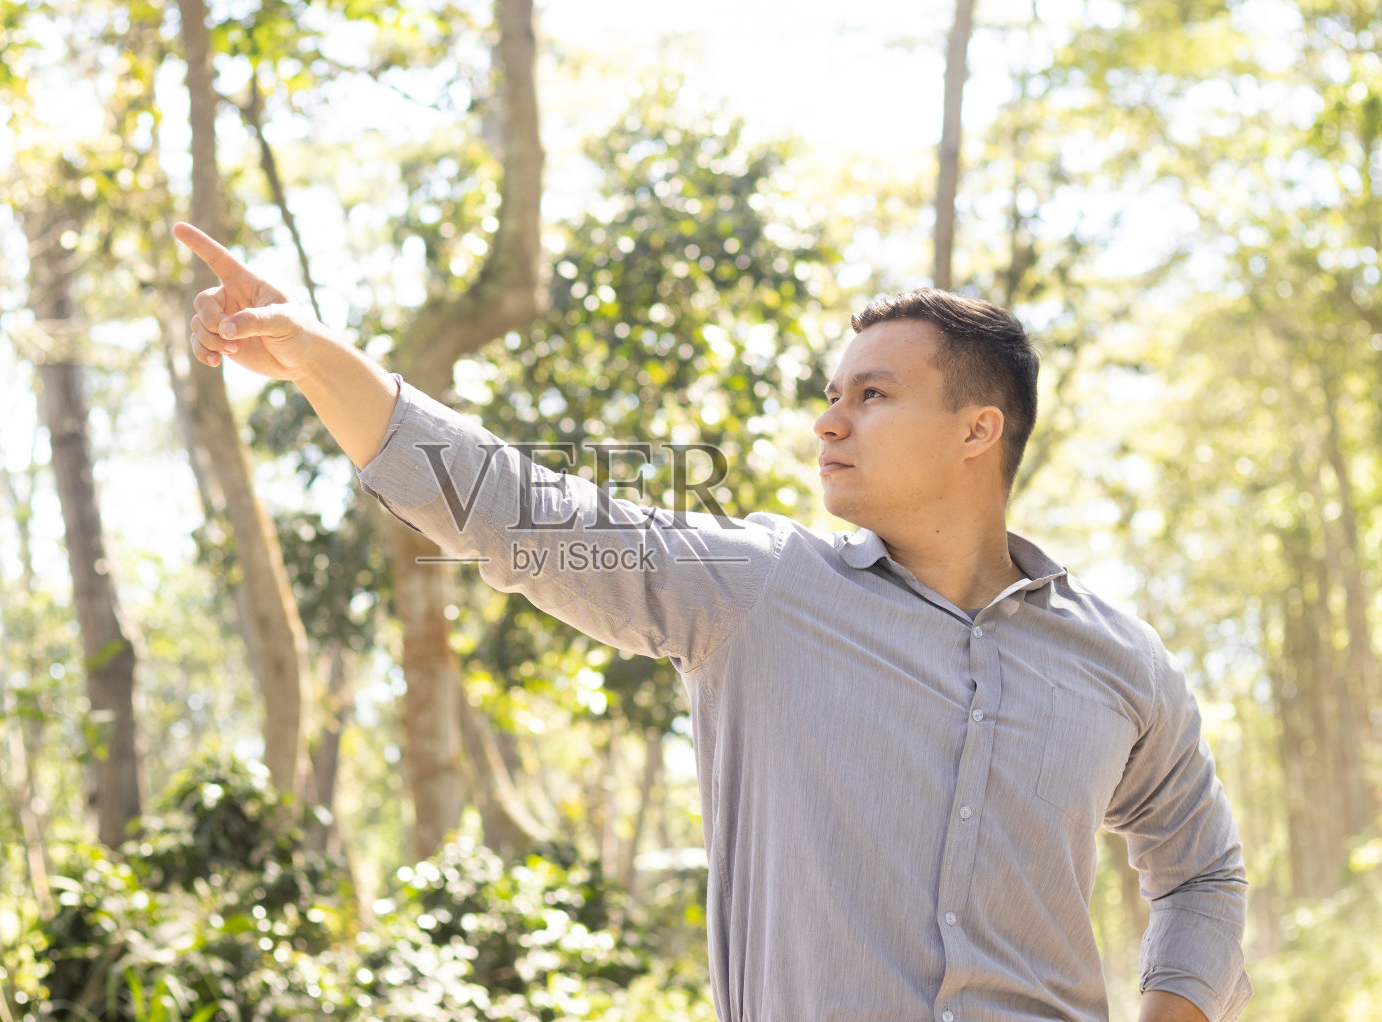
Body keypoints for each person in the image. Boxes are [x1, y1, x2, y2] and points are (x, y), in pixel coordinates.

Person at [174, 221, 1251, 1022]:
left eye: (873, 396)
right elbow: (525, 518)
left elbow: (1200, 869)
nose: (829, 419)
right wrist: (319, 361)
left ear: (979, 429)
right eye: (832, 392)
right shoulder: (759, 592)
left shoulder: (1118, 663)